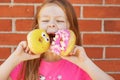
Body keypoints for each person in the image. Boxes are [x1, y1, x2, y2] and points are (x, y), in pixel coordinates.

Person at [0, 0, 115, 80]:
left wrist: (85, 63)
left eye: (59, 21)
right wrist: (15, 58)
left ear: (70, 28)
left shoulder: (80, 66)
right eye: (45, 20)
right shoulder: (25, 64)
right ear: (37, 27)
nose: (52, 25)